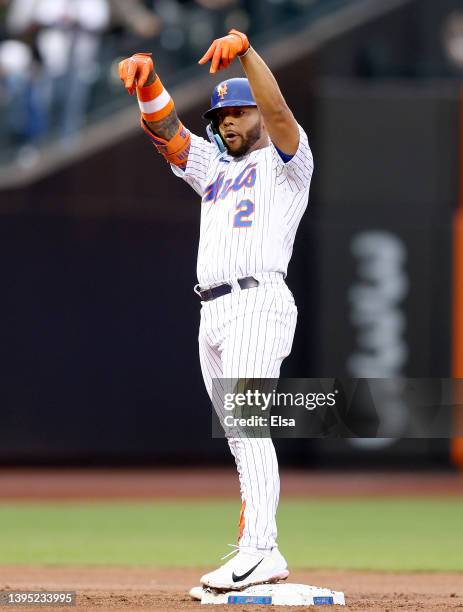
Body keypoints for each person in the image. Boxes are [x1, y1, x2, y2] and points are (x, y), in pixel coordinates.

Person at [118, 29, 313, 592]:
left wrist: (249, 54)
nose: (229, 121)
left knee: (249, 425)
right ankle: (256, 544)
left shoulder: (287, 164)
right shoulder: (214, 168)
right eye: (223, 114)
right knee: (237, 432)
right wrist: (147, 83)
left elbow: (278, 113)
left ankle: (262, 549)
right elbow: (168, 133)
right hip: (213, 308)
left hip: (258, 298)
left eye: (238, 112)